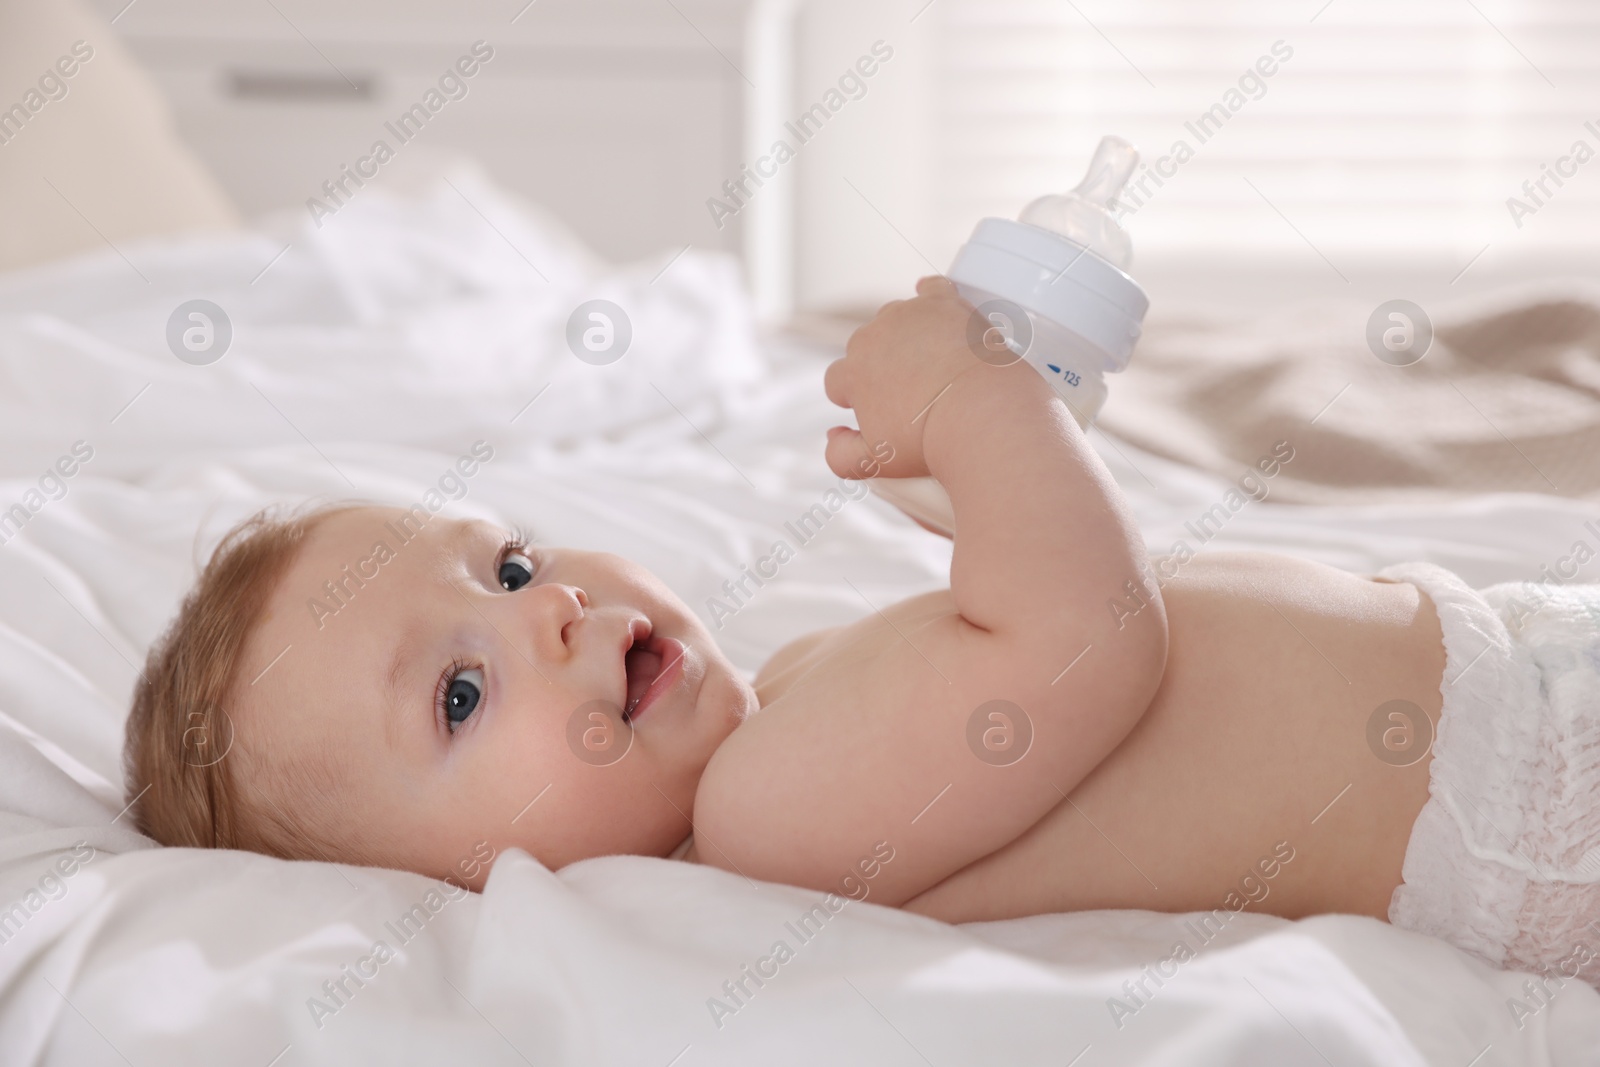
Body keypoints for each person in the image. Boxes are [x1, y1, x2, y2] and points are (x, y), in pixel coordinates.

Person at [123, 276, 1600, 986]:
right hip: (1523, 788)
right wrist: (980, 408)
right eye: (457, 696)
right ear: (459, 884)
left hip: (1502, 691)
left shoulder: (781, 722)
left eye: (505, 568)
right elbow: (1089, 641)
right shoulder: (767, 820)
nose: (552, 611)